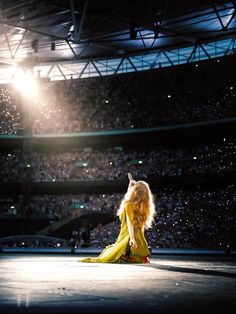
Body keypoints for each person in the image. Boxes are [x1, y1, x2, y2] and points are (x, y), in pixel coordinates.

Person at [78, 173, 156, 263]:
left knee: (134, 246)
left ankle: (132, 253)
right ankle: (130, 254)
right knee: (129, 247)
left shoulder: (134, 205)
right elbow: (130, 223)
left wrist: (130, 187)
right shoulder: (133, 205)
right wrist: (132, 238)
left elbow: (129, 200)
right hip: (130, 232)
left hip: (134, 232)